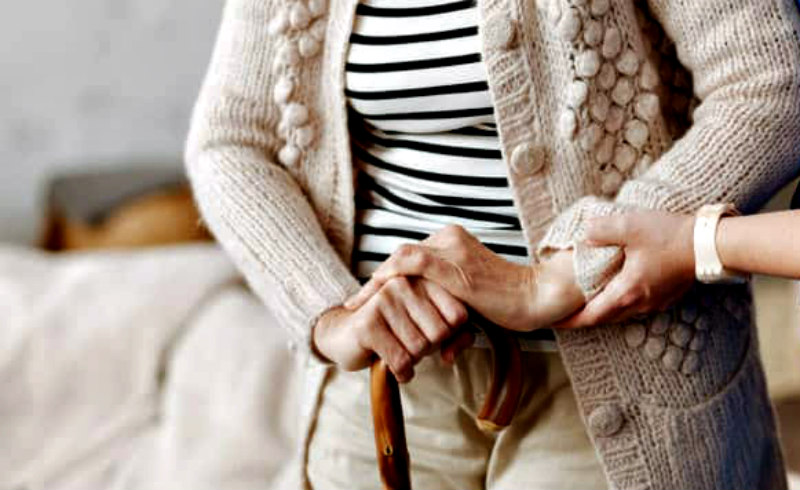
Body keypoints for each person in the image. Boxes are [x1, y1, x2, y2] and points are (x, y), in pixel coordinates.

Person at [184, 0, 800, 487]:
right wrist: (330, 312)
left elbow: (771, 81)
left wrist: (568, 270)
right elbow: (232, 141)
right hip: (388, 389)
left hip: (619, 367)